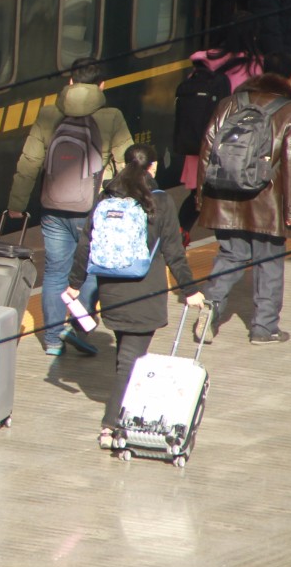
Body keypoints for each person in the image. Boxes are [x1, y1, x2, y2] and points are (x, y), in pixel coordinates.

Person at [64, 144, 205, 449]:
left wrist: (75, 284)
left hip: (112, 291)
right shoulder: (160, 202)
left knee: (125, 358)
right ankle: (111, 425)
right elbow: (173, 252)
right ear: (152, 167)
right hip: (146, 292)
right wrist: (190, 290)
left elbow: (84, 245)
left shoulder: (106, 198)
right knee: (130, 361)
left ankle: (121, 415)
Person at [5, 57, 133, 358]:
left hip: (53, 207)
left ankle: (51, 340)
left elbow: (29, 162)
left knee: (54, 273)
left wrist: (16, 204)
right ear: (102, 85)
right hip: (94, 209)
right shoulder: (111, 117)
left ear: (71, 82)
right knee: (89, 269)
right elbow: (125, 162)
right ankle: (80, 324)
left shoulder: (49, 114)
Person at [195, 53, 291, 344]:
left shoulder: (229, 103)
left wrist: (201, 196)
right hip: (267, 203)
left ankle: (209, 310)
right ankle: (264, 328)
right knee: (268, 263)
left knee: (230, 255)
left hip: (224, 197)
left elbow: (207, 148)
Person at [175, 17, 263, 236]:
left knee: (197, 196)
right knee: (229, 197)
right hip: (232, 144)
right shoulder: (254, 66)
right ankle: (228, 246)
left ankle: (176, 240)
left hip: (199, 138)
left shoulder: (204, 62)